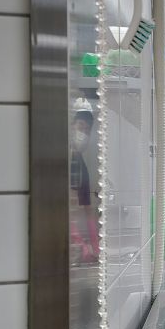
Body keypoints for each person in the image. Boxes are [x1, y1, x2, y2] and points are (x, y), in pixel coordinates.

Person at [70, 98, 99, 264]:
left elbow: (88, 208)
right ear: (72, 126)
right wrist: (80, 243)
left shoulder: (80, 162)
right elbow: (69, 207)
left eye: (87, 130)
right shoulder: (70, 160)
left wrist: (95, 245)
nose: (83, 133)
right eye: (80, 127)